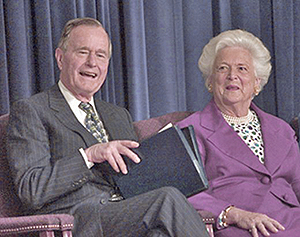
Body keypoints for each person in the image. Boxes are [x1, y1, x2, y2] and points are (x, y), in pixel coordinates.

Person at [7, 18, 209, 237]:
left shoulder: (118, 115)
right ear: (60, 58)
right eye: (83, 52)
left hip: (127, 215)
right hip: (77, 220)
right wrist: (89, 155)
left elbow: (136, 180)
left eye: (100, 55)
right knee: (166, 199)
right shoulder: (32, 110)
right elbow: (31, 189)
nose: (92, 62)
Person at [177, 29, 300, 237]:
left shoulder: (281, 129)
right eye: (223, 68)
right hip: (241, 226)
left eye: (242, 68)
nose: (232, 76)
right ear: (210, 81)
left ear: (256, 83)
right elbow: (181, 193)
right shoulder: (190, 130)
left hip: (291, 221)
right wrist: (232, 214)